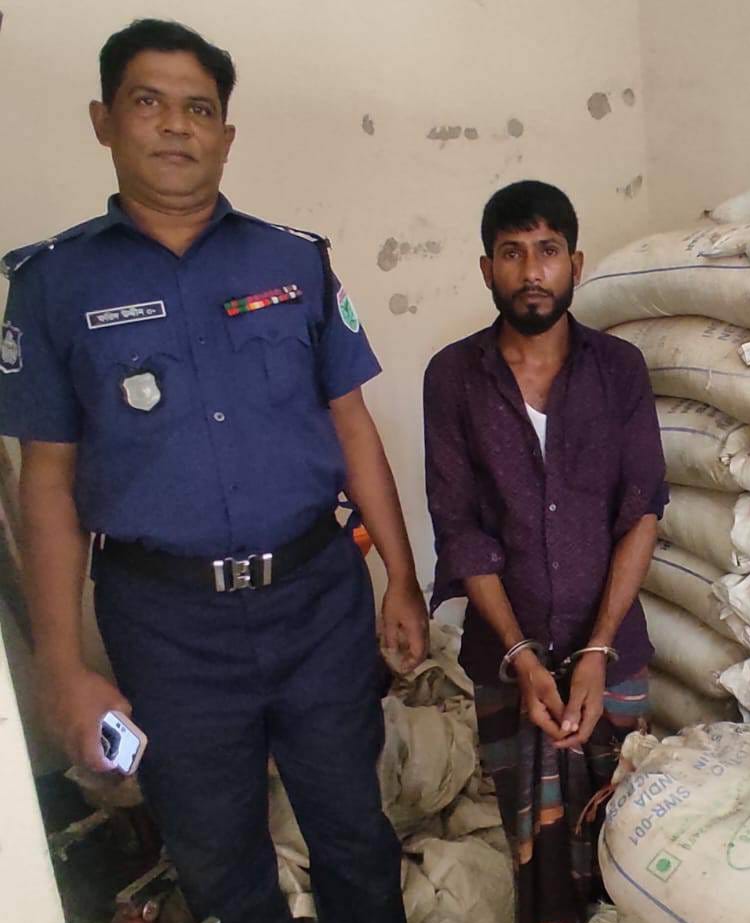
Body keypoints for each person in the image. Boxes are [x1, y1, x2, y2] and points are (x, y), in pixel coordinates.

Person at [0, 19, 426, 923]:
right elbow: (47, 481)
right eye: (147, 102)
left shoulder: (294, 261)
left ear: (226, 135)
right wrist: (60, 666)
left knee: (355, 832)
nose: (175, 126)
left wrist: (401, 575)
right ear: (103, 120)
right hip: (167, 625)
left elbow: (351, 424)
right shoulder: (53, 286)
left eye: (198, 109)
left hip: (316, 598)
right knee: (218, 859)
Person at [422, 180, 666, 922]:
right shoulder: (453, 377)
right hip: (508, 660)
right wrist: (523, 656)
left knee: (626, 835)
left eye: (548, 250)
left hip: (612, 656)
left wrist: (596, 649)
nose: (532, 271)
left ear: (575, 264)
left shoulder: (618, 370)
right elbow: (460, 530)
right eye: (512, 253)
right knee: (535, 851)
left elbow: (641, 511)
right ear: (487, 268)